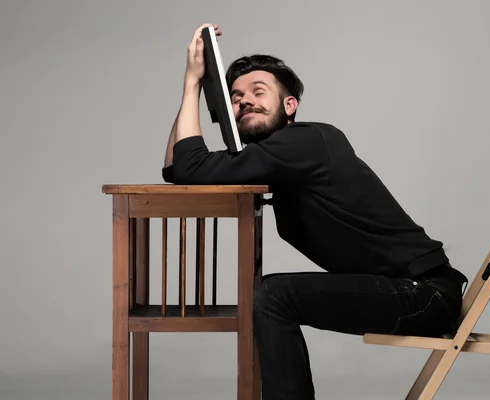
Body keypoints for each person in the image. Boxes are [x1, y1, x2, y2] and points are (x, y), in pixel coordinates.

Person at [162, 23, 469, 400]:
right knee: (272, 292)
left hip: (424, 294)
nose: (245, 101)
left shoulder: (305, 141)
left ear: (289, 105)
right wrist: (191, 91)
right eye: (236, 97)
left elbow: (188, 165)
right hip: (410, 290)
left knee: (275, 295)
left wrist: (193, 84)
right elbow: (178, 167)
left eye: (259, 92)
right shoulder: (275, 161)